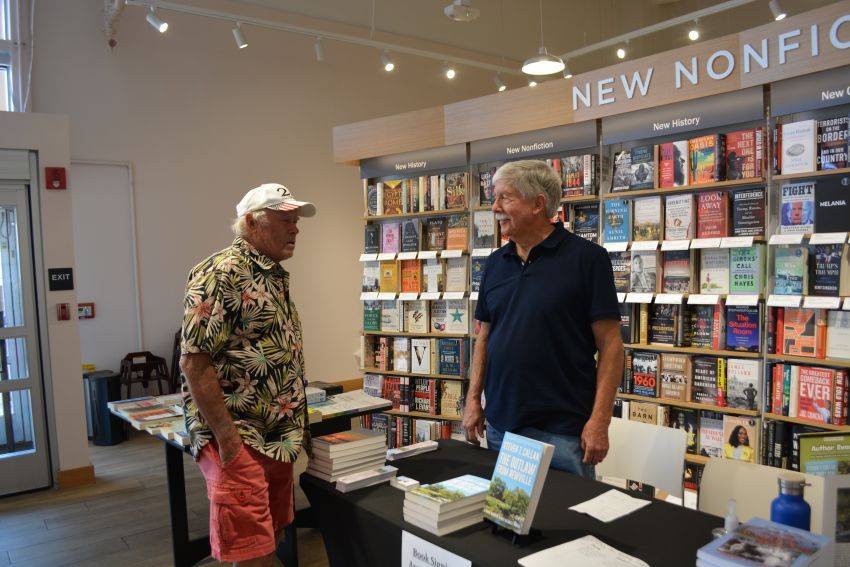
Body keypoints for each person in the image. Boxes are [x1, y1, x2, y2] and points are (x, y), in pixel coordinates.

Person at [180, 183, 316, 566]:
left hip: (276, 438)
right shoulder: (220, 273)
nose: (295, 229)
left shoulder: (272, 273)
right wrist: (228, 442)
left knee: (268, 538)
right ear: (252, 223)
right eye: (285, 219)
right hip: (241, 438)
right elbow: (194, 362)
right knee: (251, 554)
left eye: (295, 220)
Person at [462, 160, 624, 478]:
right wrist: (472, 401)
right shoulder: (495, 264)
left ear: (538, 204)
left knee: (567, 524)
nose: (495, 208)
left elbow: (611, 345)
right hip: (501, 426)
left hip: (563, 432)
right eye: (495, 198)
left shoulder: (588, 260)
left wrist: (600, 420)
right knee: (505, 522)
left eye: (505, 198)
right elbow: (485, 337)